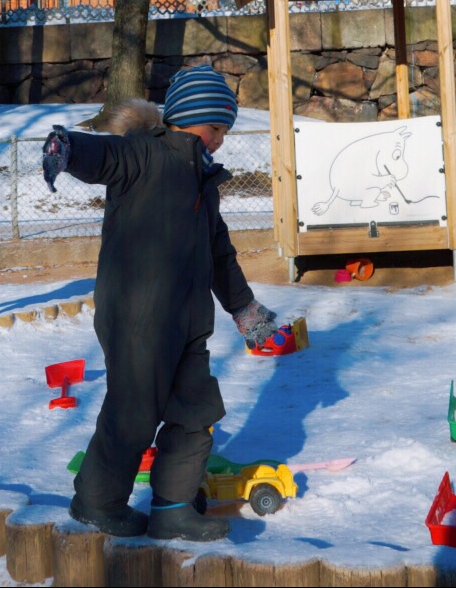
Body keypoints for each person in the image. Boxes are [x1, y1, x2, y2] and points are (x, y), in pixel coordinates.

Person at [41, 66, 280, 542]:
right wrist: (66, 148)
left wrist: (245, 309)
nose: (221, 141)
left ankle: (173, 508)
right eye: (217, 130)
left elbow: (219, 255)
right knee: (133, 413)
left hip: (189, 322)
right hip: (138, 318)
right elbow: (103, 154)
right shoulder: (144, 154)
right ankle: (97, 501)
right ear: (193, 119)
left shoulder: (202, 184)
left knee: (196, 410)